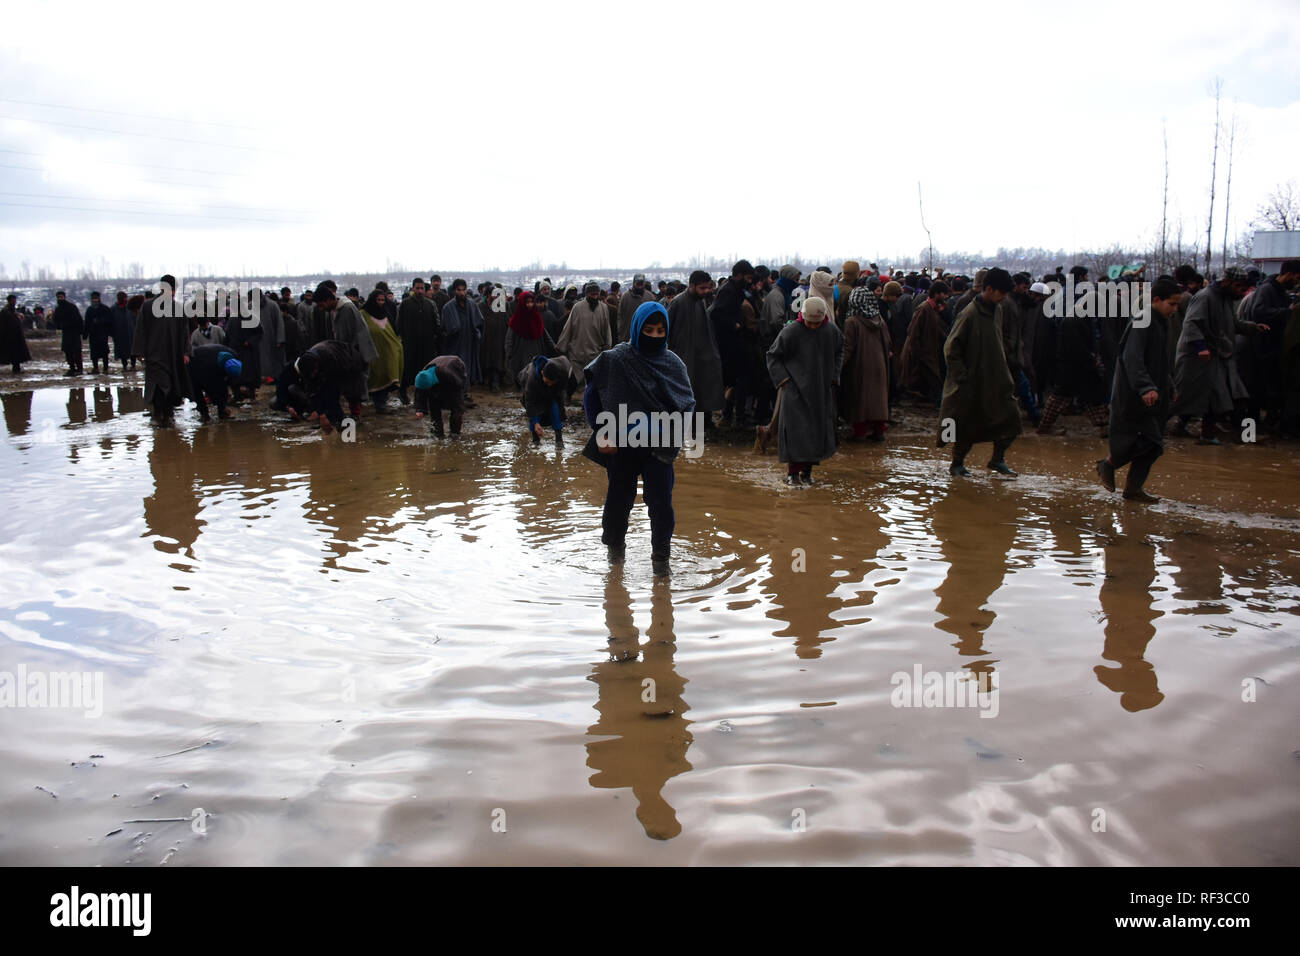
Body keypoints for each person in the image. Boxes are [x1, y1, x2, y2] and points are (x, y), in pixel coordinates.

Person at [583, 301, 696, 576]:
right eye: (649, 330)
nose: (655, 336)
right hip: (622, 445)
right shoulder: (617, 358)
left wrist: (672, 441)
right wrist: (601, 433)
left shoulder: (673, 363)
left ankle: (661, 561)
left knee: (660, 503)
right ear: (637, 328)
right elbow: (591, 394)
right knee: (619, 499)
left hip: (659, 447)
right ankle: (615, 556)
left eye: (660, 331)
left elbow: (687, 404)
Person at [1097, 276, 1180, 503]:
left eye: (1177, 304)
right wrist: (1145, 387)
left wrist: (1169, 385)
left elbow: (1161, 361)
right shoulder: (1143, 320)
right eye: (1171, 304)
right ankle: (1109, 464)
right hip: (1135, 394)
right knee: (1149, 442)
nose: (1175, 309)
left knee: (1153, 446)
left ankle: (1133, 489)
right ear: (1156, 300)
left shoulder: (1161, 322)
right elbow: (1132, 358)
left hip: (1152, 393)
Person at [937, 267, 1021, 477]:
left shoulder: (997, 310)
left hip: (997, 379)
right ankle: (957, 464)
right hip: (972, 382)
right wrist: (963, 378)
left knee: (1011, 419)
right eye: (1001, 293)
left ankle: (997, 459)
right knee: (965, 425)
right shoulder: (970, 313)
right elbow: (950, 349)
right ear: (989, 289)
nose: (1004, 298)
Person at [765, 295, 843, 485]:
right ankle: (792, 474)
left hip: (820, 389)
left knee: (817, 432)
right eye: (810, 322)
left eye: (817, 323)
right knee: (795, 432)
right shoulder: (791, 331)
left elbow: (840, 351)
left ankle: (807, 473)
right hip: (794, 390)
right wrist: (784, 380)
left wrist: (834, 376)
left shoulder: (831, 331)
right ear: (803, 317)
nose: (813, 326)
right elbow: (772, 356)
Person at [132, 275, 193, 425]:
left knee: (172, 385)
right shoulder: (148, 307)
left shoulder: (178, 308)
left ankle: (169, 414)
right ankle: (157, 414)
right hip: (154, 354)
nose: (171, 292)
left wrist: (186, 352)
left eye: (173, 290)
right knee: (158, 385)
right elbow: (140, 329)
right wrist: (139, 351)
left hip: (173, 354)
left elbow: (185, 332)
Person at [667, 270, 724, 429]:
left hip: (701, 356)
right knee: (685, 394)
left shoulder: (700, 301)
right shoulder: (678, 303)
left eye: (708, 288)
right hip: (683, 357)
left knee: (702, 390)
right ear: (692, 285)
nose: (706, 291)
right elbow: (667, 331)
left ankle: (703, 424)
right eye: (702, 288)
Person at [276, 340, 368, 432]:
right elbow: (312, 392)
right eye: (312, 373)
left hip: (350, 361)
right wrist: (322, 415)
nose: (314, 374)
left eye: (314, 371)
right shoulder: (307, 367)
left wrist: (324, 414)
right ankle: (337, 420)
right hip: (332, 364)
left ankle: (354, 416)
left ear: (316, 364)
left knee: (351, 391)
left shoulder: (329, 357)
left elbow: (332, 390)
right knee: (326, 395)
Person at [840, 284, 892, 441]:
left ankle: (860, 433)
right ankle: (878, 431)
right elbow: (888, 342)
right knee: (878, 398)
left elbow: (847, 348)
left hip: (860, 367)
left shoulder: (852, 322)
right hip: (880, 365)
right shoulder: (880, 320)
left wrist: (837, 367)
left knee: (860, 399)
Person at [899, 279, 950, 405]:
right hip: (923, 352)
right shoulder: (923, 309)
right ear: (937, 294)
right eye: (944, 294)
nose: (946, 297)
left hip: (928, 351)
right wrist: (915, 352)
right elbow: (913, 331)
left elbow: (936, 329)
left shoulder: (933, 309)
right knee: (932, 379)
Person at [397, 278, 444, 404]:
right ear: (413, 289)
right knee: (408, 370)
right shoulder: (405, 304)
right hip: (410, 344)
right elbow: (399, 323)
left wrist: (437, 337)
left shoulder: (430, 304)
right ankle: (403, 393)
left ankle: (426, 396)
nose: (419, 291)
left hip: (427, 344)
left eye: (422, 288)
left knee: (426, 370)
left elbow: (437, 323)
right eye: (417, 288)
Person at [557, 281, 613, 388]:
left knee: (593, 381)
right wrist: (561, 346)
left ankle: (587, 402)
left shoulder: (603, 308)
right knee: (574, 377)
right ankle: (568, 398)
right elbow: (568, 327)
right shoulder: (577, 307)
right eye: (592, 295)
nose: (595, 297)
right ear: (587, 294)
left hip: (595, 351)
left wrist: (608, 346)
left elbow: (607, 329)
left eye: (597, 294)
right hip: (578, 351)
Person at [362, 289, 403, 413]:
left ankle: (382, 403)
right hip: (374, 354)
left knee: (389, 375)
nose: (380, 303)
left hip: (388, 353)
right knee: (376, 377)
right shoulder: (363, 314)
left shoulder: (385, 313)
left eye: (382, 300)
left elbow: (393, 331)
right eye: (378, 300)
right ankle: (379, 405)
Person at [440, 279, 483, 395]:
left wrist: (477, 335)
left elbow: (479, 323)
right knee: (455, 369)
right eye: (459, 290)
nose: (462, 293)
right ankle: (456, 396)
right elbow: (445, 329)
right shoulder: (448, 308)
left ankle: (464, 393)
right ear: (454, 291)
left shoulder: (472, 305)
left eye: (463, 290)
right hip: (455, 345)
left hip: (469, 343)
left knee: (467, 368)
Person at [519, 354, 574, 443]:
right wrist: (536, 423)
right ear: (542, 373)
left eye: (552, 382)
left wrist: (562, 414)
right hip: (532, 392)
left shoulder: (562, 371)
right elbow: (530, 403)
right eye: (548, 382)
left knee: (555, 410)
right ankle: (536, 440)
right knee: (535, 415)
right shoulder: (531, 379)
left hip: (552, 392)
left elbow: (560, 394)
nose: (549, 384)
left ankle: (559, 440)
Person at [505, 290, 556, 384]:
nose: (530, 305)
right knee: (523, 376)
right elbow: (509, 339)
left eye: (531, 302)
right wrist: (509, 354)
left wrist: (555, 347)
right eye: (527, 302)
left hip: (536, 351)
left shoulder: (537, 318)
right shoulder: (516, 320)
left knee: (535, 376)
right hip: (520, 354)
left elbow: (544, 334)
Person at [412, 354, 468, 438]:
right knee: (434, 406)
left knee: (457, 409)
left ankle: (455, 433)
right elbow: (419, 393)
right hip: (437, 372)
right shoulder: (421, 377)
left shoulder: (449, 375)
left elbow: (459, 387)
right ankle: (437, 435)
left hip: (454, 368)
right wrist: (420, 409)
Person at [188, 343, 242, 422]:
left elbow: (227, 382)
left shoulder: (234, 355)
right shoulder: (210, 367)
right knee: (197, 389)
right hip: (195, 364)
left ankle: (222, 412)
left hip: (210, 357)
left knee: (220, 389)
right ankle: (205, 414)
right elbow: (212, 388)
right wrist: (222, 404)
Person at [53, 290, 84, 375]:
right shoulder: (58, 309)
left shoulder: (71, 307)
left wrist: (81, 331)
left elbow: (78, 320)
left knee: (77, 351)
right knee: (68, 352)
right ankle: (72, 368)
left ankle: (79, 369)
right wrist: (59, 326)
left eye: (61, 297)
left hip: (74, 332)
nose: (60, 299)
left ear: (64, 297)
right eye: (58, 297)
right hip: (65, 333)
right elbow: (56, 321)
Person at [84, 291, 115, 374]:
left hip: (102, 333)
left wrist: (100, 321)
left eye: (96, 299)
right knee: (94, 353)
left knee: (104, 352)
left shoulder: (105, 309)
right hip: (93, 334)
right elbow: (86, 322)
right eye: (93, 299)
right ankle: (95, 368)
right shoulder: (89, 310)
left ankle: (105, 368)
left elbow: (110, 320)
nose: (94, 300)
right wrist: (85, 333)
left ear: (99, 299)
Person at [1, 294, 32, 373]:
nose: (14, 302)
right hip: (10, 335)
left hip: (16, 335)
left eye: (14, 300)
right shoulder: (5, 311)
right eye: (12, 300)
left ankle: (16, 368)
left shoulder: (12, 310)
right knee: (13, 353)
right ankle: (16, 369)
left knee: (16, 353)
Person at [617, 273, 653, 342]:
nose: (639, 286)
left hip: (646, 337)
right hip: (627, 335)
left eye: (641, 284)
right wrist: (620, 332)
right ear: (633, 283)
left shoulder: (650, 297)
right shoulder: (625, 297)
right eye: (637, 284)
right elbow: (620, 316)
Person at [111, 291, 137, 372]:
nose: (125, 300)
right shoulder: (114, 309)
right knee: (122, 352)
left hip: (130, 332)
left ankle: (133, 365)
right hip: (119, 333)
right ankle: (125, 365)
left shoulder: (130, 308)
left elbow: (135, 319)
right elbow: (111, 322)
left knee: (132, 350)